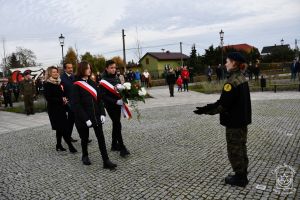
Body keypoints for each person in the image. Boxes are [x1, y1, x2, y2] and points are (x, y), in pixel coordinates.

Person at [194, 52, 251, 187]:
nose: (225, 64)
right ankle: (242, 173)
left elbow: (223, 105)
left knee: (234, 149)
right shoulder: (241, 77)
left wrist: (206, 110)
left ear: (234, 63)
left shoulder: (231, 82)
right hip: (242, 120)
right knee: (242, 147)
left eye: (227, 61)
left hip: (234, 122)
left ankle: (240, 178)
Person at [71, 61, 117, 169]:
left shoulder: (92, 83)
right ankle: (85, 155)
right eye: (87, 68)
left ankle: (106, 160)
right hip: (83, 117)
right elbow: (76, 104)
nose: (89, 70)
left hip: (96, 115)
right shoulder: (76, 85)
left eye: (90, 68)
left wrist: (102, 113)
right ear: (82, 69)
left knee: (101, 138)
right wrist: (85, 118)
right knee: (84, 138)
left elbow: (99, 99)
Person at [100, 60, 130, 158]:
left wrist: (124, 97)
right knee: (117, 123)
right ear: (106, 68)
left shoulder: (116, 78)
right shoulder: (103, 80)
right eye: (111, 68)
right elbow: (103, 96)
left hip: (118, 105)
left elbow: (119, 90)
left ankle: (113, 145)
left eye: (114, 67)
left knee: (116, 123)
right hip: (110, 106)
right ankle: (122, 147)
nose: (113, 69)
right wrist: (115, 101)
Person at [44, 66, 77, 153]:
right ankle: (70, 146)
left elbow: (61, 94)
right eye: (53, 72)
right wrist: (61, 100)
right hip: (54, 110)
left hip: (61, 108)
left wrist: (64, 99)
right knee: (64, 128)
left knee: (60, 128)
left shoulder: (58, 82)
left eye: (56, 72)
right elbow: (48, 98)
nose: (56, 73)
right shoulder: (47, 84)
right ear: (50, 73)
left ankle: (58, 145)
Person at [60, 62, 78, 143]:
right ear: (65, 69)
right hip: (68, 103)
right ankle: (68, 137)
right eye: (69, 68)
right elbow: (61, 91)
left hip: (76, 101)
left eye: (71, 67)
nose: (71, 69)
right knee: (71, 121)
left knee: (78, 120)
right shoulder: (61, 78)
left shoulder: (74, 76)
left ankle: (83, 136)